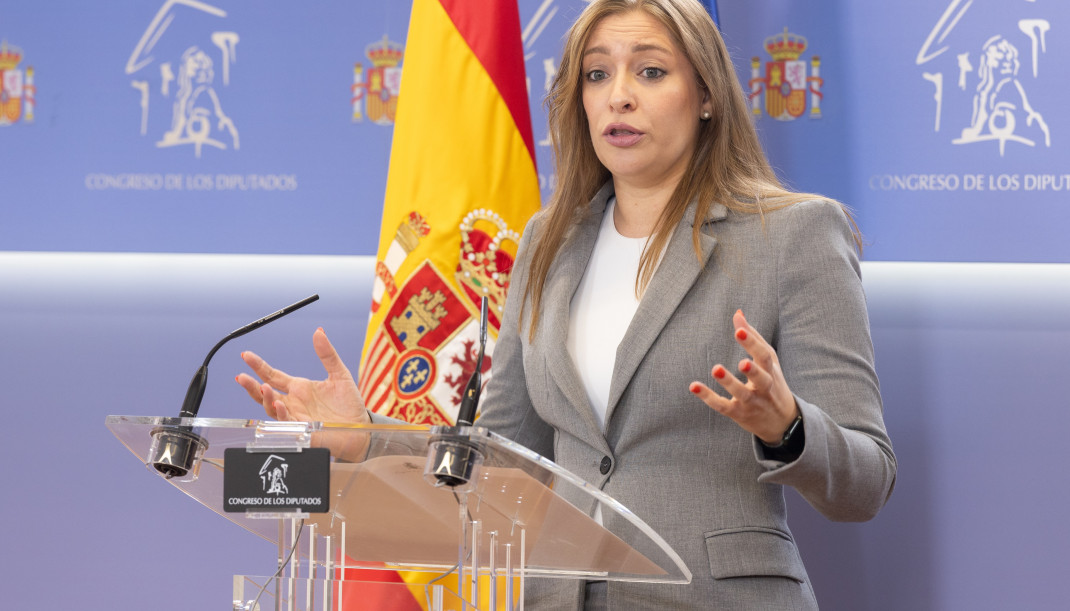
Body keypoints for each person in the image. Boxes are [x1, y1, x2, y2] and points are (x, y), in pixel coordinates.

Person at [237, 0, 896, 608]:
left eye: (651, 71)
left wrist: (787, 426)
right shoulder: (548, 242)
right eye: (597, 74)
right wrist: (367, 435)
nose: (619, 95)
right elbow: (502, 457)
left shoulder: (795, 234)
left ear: (706, 95)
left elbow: (867, 482)